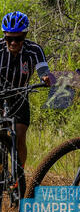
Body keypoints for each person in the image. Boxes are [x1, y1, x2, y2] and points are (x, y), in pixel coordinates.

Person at [0, 11, 51, 167]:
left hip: (20, 96)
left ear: (25, 35)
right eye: (9, 38)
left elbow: (43, 70)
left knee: (20, 135)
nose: (13, 43)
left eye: (18, 38)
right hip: (0, 95)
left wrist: (46, 77)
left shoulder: (34, 49)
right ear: (4, 36)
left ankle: (19, 176)